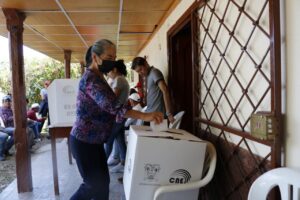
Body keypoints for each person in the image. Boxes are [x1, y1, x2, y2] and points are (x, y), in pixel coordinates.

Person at [69, 39, 163, 200]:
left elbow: (115, 107)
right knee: (92, 185)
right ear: (96, 57)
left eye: (114, 58)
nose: (112, 62)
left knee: (102, 186)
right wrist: (145, 115)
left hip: (95, 141)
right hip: (84, 141)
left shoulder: (100, 77)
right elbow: (113, 106)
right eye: (109, 57)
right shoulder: (91, 79)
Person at [131, 57, 175, 123]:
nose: (140, 73)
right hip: (150, 115)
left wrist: (169, 113)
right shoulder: (148, 76)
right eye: (138, 72)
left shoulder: (154, 72)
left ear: (145, 63)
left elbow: (165, 90)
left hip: (157, 117)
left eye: (141, 69)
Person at [104, 59, 129, 173]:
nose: (108, 74)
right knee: (119, 139)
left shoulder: (119, 80)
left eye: (108, 72)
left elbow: (112, 98)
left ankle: (101, 164)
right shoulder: (122, 79)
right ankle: (123, 162)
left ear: (114, 69)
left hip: (117, 115)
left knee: (109, 139)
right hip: (121, 114)